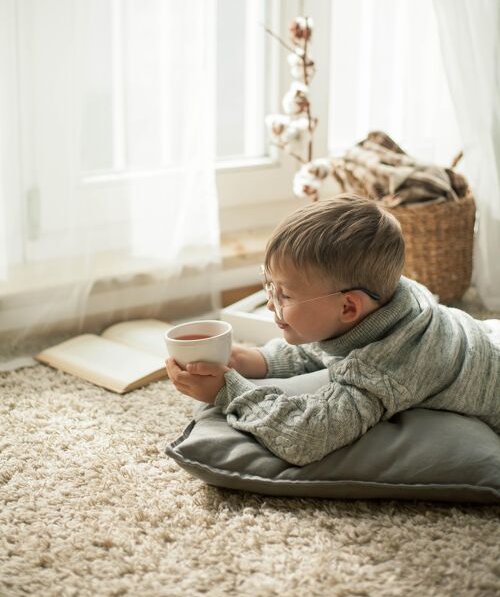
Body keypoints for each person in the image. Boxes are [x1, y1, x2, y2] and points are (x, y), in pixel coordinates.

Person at [166, 194, 500, 466]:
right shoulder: (389, 298)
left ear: (349, 307)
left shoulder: (383, 368)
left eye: (285, 295)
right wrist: (254, 360)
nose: (270, 305)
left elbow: (306, 438)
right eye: (269, 287)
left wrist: (228, 392)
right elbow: (325, 341)